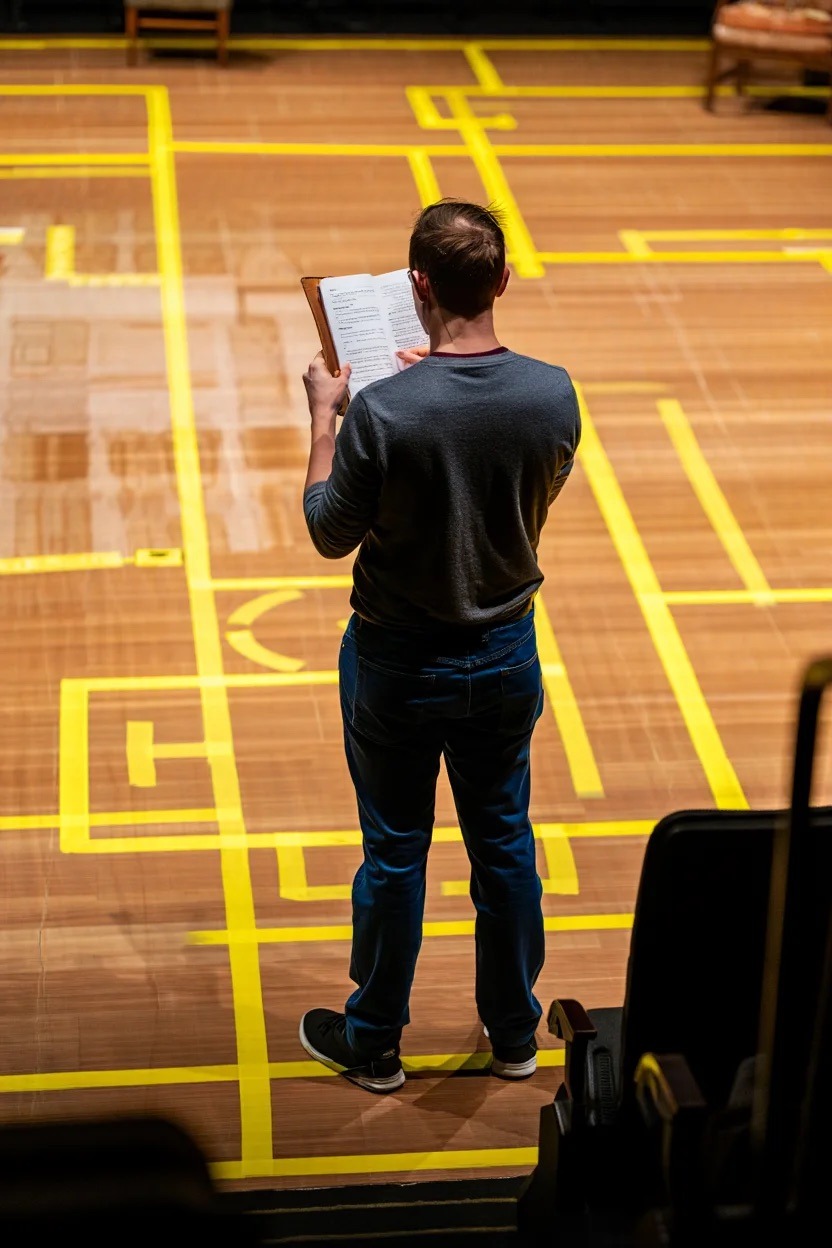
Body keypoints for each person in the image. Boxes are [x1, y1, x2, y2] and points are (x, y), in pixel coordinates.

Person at [298, 198, 581, 1094]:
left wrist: (324, 419)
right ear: (501, 281)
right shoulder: (553, 391)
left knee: (394, 853)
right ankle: (513, 1035)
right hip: (505, 657)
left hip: (399, 664)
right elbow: (527, 483)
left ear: (417, 287)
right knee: (505, 846)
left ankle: (374, 1038)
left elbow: (326, 530)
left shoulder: (384, 413)